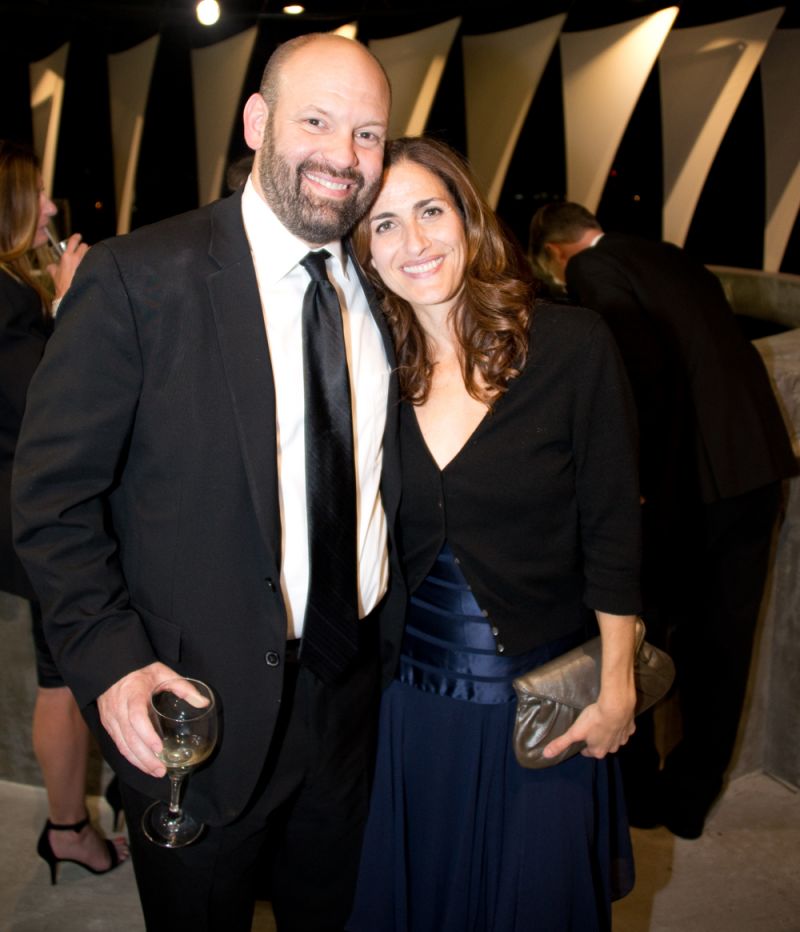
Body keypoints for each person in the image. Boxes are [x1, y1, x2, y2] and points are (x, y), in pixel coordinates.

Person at [12, 34, 404, 932]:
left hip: (352, 699)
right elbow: (50, 499)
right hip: (193, 706)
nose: (346, 157)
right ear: (258, 121)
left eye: (371, 134)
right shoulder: (136, 277)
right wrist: (109, 663)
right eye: (318, 121)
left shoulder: (384, 289)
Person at [346, 136, 643, 931]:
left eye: (431, 211)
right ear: (363, 255)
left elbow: (616, 531)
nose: (413, 243)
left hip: (544, 710)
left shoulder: (573, 348)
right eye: (382, 226)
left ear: (469, 218)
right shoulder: (367, 371)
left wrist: (618, 685)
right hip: (413, 709)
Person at [529, 201, 798, 839]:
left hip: (690, 486)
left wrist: (632, 486)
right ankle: (690, 800)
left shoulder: (593, 270)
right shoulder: (673, 256)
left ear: (556, 254)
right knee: (725, 646)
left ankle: (639, 795)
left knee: (638, 634)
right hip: (756, 469)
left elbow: (641, 378)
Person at [0, 139, 127, 881]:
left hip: (27, 506)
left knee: (64, 673)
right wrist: (72, 306)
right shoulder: (8, 302)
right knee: (65, 676)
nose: (51, 208)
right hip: (34, 516)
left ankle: (73, 820)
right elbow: (48, 401)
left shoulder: (17, 294)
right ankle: (68, 828)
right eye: (38, 196)